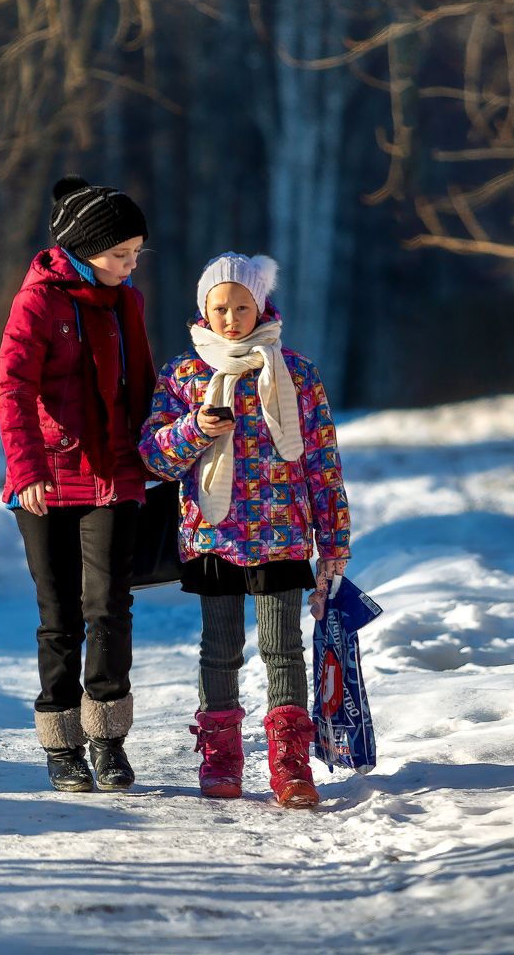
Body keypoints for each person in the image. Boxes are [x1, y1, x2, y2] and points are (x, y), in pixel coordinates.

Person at [139, 252, 350, 807]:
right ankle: (222, 755)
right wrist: (194, 429)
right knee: (220, 650)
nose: (231, 318)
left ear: (261, 306)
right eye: (220, 307)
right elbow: (153, 458)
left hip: (282, 534)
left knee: (283, 649)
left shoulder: (297, 372)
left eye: (241, 306)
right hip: (213, 536)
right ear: (203, 310)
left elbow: (322, 461)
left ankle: (290, 761)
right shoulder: (185, 374)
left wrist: (333, 542)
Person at [0, 176, 156, 793]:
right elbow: (14, 388)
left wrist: (156, 461)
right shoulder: (36, 303)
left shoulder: (128, 302)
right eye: (121, 254)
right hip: (44, 481)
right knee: (59, 615)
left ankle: (108, 739)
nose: (131, 264)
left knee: (110, 607)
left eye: (137, 252)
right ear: (86, 249)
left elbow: (139, 385)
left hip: (113, 474)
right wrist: (28, 468)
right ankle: (62, 745)